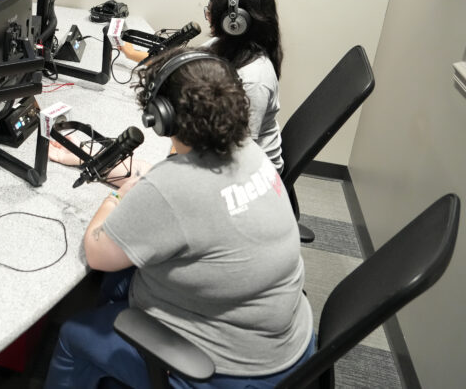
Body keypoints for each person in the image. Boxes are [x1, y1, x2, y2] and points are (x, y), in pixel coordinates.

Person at [45, 48, 313, 389]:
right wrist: (96, 158)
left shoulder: (172, 188)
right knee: (127, 277)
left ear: (162, 116)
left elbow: (98, 252)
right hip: (285, 341)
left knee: (73, 336)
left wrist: (116, 198)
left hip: (230, 371)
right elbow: (167, 185)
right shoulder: (246, 149)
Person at [119, 0, 284, 172]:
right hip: (220, 149)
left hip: (253, 172)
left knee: (144, 173)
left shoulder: (254, 80)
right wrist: (133, 54)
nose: (207, 17)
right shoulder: (223, 44)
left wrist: (178, 146)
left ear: (235, 23)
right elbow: (181, 62)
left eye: (210, 12)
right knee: (142, 168)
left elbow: (238, 149)